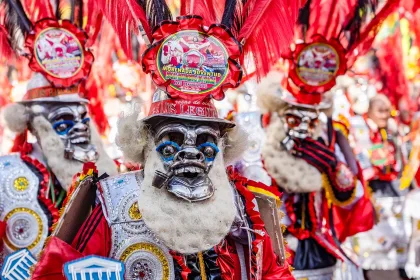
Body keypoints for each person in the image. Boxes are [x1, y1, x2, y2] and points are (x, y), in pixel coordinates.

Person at [31, 89, 294, 279]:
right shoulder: (112, 201)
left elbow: (273, 272)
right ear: (146, 144)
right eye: (173, 141)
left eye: (205, 142)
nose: (191, 153)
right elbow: (59, 272)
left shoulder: (242, 203)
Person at [256, 72, 375, 280]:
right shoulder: (262, 143)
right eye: (294, 119)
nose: (303, 129)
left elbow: (353, 197)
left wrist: (331, 166)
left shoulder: (327, 142)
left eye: (310, 121)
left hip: (319, 246)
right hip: (275, 248)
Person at [0, 73, 118, 264]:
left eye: (83, 120)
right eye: (64, 123)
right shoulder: (5, 173)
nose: (80, 129)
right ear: (34, 126)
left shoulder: (108, 178)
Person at [349, 94, 411, 279]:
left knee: (400, 233)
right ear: (369, 111)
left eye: (387, 111)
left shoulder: (393, 129)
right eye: (380, 111)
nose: (385, 115)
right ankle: (368, 272)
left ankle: (402, 270)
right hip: (370, 188)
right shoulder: (358, 128)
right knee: (371, 237)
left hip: (393, 188)